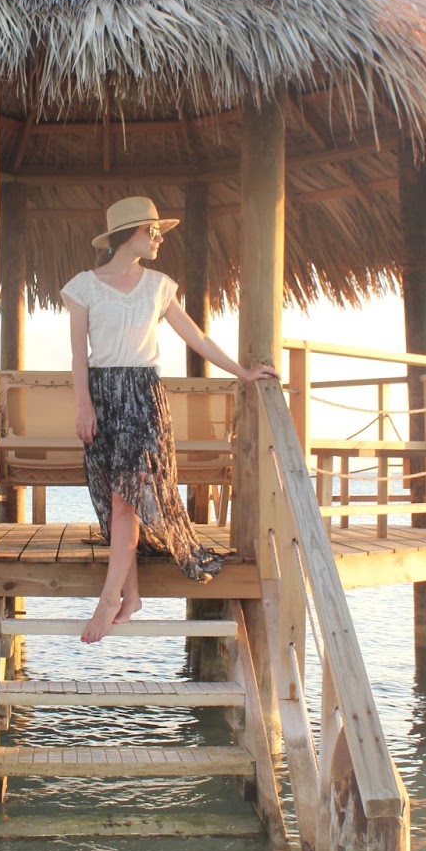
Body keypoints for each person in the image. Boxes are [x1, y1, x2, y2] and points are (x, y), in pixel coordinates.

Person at [61, 196, 279, 643]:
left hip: (143, 397)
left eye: (160, 232)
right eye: (152, 231)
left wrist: (242, 372)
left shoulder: (159, 285)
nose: (159, 238)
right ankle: (132, 596)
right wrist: (83, 406)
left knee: (128, 497)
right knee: (117, 497)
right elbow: (78, 356)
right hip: (102, 396)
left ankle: (107, 602)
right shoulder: (82, 286)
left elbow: (197, 336)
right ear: (128, 234)